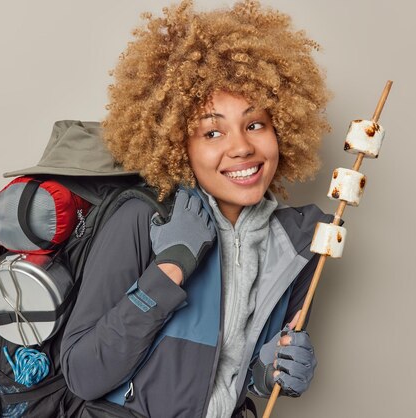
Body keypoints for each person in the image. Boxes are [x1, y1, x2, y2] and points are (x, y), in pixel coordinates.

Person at [60, 1, 332, 416]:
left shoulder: (295, 244)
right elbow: (84, 375)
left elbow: (231, 372)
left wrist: (268, 370)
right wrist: (170, 268)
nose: (241, 146)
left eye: (255, 123)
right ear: (177, 145)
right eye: (212, 131)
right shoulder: (144, 219)